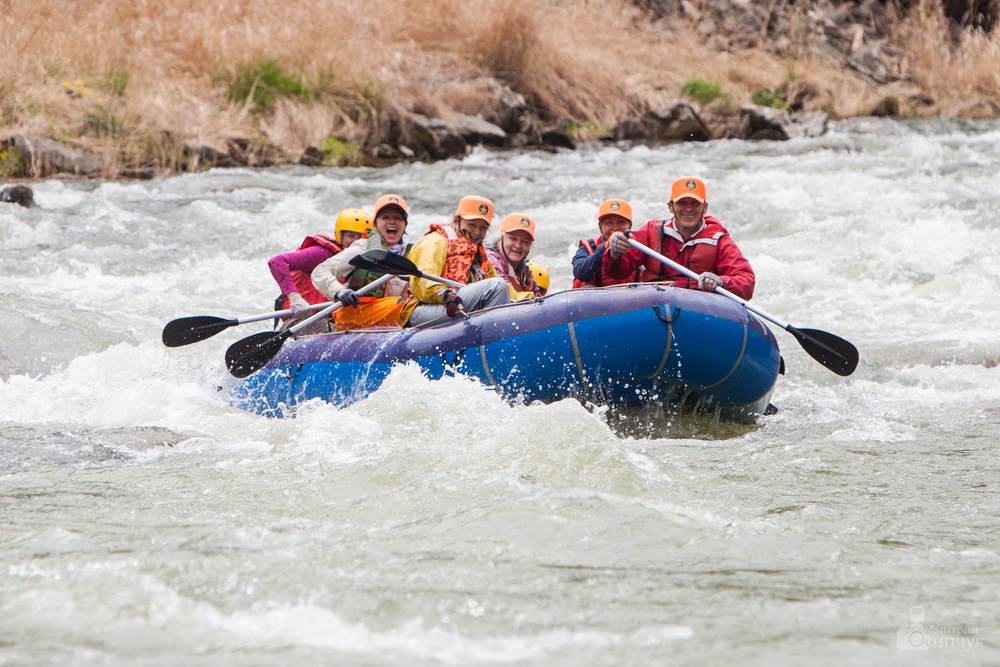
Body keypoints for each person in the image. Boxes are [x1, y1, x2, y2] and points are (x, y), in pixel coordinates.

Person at [605, 177, 755, 299]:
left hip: (699, 306)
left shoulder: (718, 239)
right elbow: (617, 272)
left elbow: (746, 282)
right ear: (671, 206)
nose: (688, 209)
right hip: (656, 302)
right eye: (682, 203)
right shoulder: (651, 231)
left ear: (705, 207)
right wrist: (615, 254)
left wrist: (722, 282)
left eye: (695, 203)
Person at [401, 195, 514, 327]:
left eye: (483, 227)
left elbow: (508, 291)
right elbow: (422, 284)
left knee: (501, 286)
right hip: (425, 309)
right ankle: (490, 342)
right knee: (496, 286)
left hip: (457, 305)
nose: (477, 232)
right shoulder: (435, 241)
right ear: (457, 220)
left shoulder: (479, 255)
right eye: (472, 225)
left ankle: (484, 338)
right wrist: (446, 295)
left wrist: (534, 300)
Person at [312, 194, 413, 330]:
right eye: (385, 217)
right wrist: (339, 292)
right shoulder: (362, 247)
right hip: (356, 317)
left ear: (404, 225)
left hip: (393, 319)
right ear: (376, 224)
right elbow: (320, 271)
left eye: (397, 218)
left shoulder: (412, 254)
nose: (392, 221)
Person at [267, 208, 373, 325]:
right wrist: (295, 298)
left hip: (330, 318)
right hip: (301, 320)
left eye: (360, 237)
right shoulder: (322, 254)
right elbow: (277, 262)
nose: (355, 241)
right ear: (339, 235)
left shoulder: (366, 260)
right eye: (350, 236)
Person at [571, 198, 641, 288]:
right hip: (596, 299)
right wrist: (607, 246)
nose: (615, 228)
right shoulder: (588, 248)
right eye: (609, 223)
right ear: (601, 228)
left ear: (629, 226)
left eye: (621, 222)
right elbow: (580, 273)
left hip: (632, 299)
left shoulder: (640, 247)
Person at [486, 213, 546, 298]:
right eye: (513, 238)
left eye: (525, 241)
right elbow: (505, 296)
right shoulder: (490, 260)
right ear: (500, 239)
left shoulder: (524, 272)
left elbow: (539, 300)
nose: (518, 245)